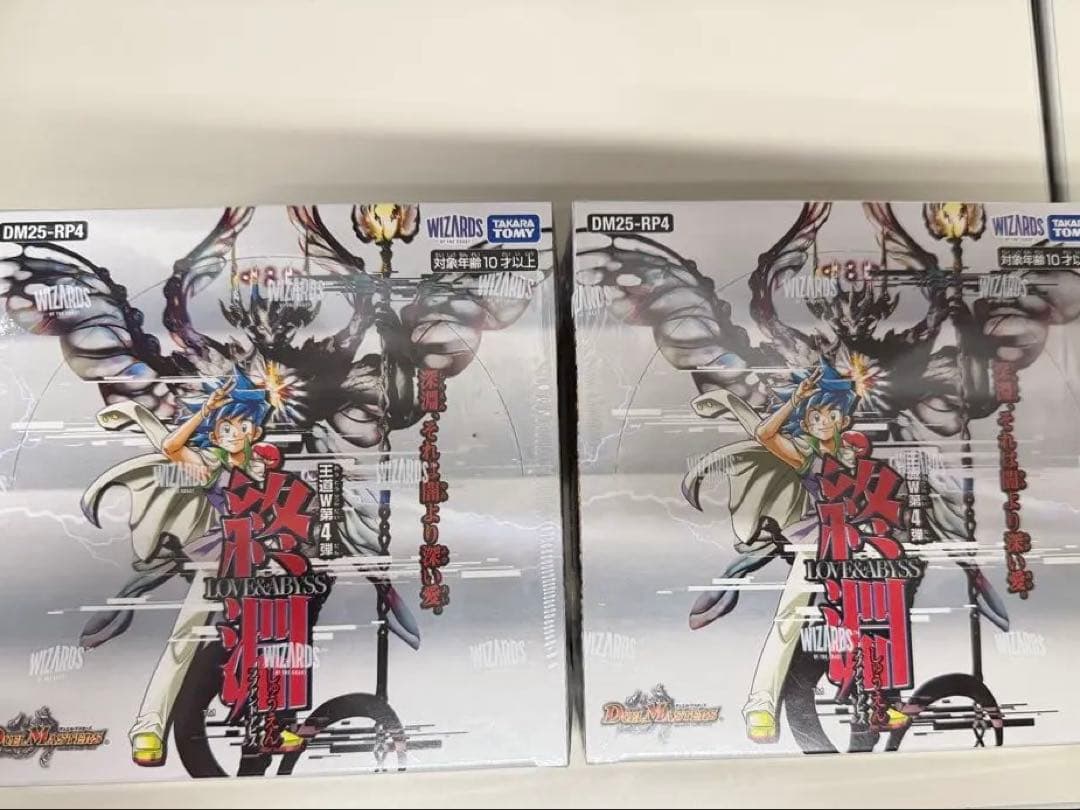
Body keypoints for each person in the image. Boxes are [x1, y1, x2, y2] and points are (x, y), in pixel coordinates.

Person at [683, 359, 907, 743]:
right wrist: (794, 401)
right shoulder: (807, 456)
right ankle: (760, 705)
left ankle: (878, 700)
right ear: (806, 422)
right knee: (790, 620)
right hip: (818, 542)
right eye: (815, 416)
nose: (824, 421)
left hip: (855, 544)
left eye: (831, 414)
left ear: (843, 419)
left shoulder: (855, 455)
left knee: (875, 616)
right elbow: (765, 434)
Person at [81, 369, 297, 766]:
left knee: (270, 638)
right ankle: (148, 727)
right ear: (215, 433)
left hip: (255, 560)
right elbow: (170, 446)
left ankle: (266, 724)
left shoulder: (261, 466)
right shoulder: (211, 464)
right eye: (226, 426)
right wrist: (200, 413)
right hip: (219, 559)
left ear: (254, 430)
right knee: (185, 641)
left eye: (242, 426)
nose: (234, 433)